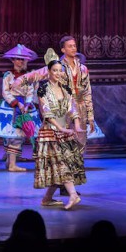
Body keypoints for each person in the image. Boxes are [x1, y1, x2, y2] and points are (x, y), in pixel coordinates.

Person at [14, 37, 94, 195]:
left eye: (74, 46)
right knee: (64, 148)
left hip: (80, 109)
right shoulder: (58, 66)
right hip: (63, 109)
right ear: (63, 50)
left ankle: (67, 183)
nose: (73, 48)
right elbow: (38, 74)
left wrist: (90, 115)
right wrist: (21, 80)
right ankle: (65, 186)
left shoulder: (83, 69)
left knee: (78, 148)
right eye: (69, 46)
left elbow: (87, 92)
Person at [34, 51, 86, 210]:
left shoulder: (66, 89)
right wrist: (60, 128)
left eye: (60, 70)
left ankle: (47, 198)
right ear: (49, 72)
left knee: (61, 166)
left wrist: (76, 125)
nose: (57, 73)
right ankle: (73, 195)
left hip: (65, 132)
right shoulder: (43, 88)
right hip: (51, 132)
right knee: (61, 164)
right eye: (54, 70)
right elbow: (46, 111)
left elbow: (72, 109)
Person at [0, 44, 41, 172]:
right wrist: (17, 103)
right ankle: (11, 164)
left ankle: (11, 162)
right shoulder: (8, 75)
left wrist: (27, 104)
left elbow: (30, 91)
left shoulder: (28, 75)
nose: (20, 61)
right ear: (12, 60)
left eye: (22, 59)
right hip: (11, 106)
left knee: (22, 134)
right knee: (14, 134)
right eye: (17, 59)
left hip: (25, 106)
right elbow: (5, 92)